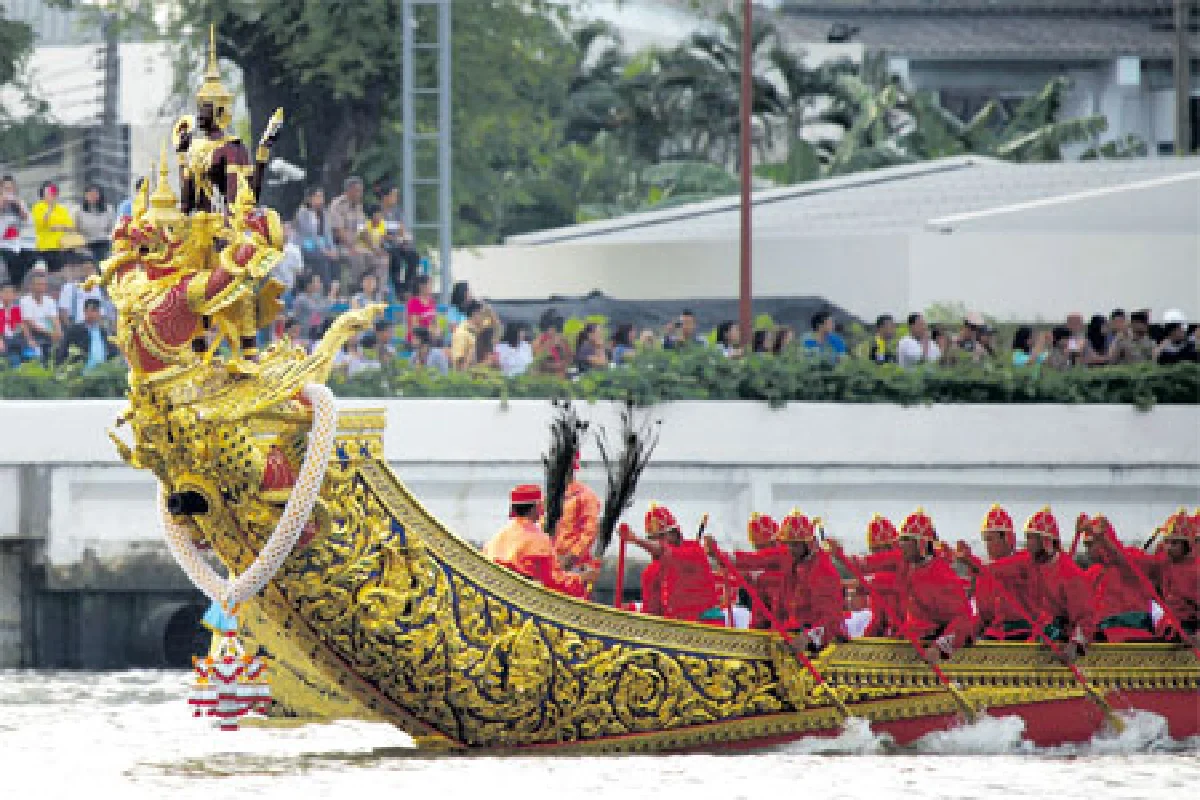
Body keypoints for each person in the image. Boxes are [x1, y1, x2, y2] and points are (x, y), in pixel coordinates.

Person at [709, 509, 845, 652]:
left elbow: (831, 620)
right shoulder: (789, 556)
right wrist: (719, 555)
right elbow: (755, 559)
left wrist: (808, 638)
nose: (790, 549)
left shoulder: (823, 572)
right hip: (787, 634)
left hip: (818, 642)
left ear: (809, 544)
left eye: (795, 545)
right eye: (787, 544)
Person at [482, 484, 597, 598]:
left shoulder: (494, 539)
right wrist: (581, 579)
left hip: (494, 599)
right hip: (522, 602)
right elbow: (554, 581)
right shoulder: (539, 540)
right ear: (535, 508)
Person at [892, 509, 976, 664]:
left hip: (931, 650)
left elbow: (963, 619)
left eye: (906, 540)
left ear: (921, 543)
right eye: (901, 540)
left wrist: (939, 647)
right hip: (910, 645)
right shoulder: (909, 567)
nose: (901, 545)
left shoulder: (941, 575)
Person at [626, 503, 722, 624]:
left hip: (706, 626)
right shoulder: (650, 572)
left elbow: (665, 551)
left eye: (662, 536)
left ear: (675, 534)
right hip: (674, 630)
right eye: (652, 538)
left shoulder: (694, 551)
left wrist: (635, 540)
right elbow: (651, 613)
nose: (657, 541)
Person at [954, 505, 1036, 641]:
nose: (987, 545)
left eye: (990, 539)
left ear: (1007, 538)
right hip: (995, 634)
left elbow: (999, 570)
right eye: (985, 540)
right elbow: (984, 615)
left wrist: (972, 562)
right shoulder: (984, 571)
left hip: (1024, 632)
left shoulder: (1025, 559)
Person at [1023, 507, 1095, 662]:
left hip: (1062, 643)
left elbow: (1085, 616)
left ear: (1045, 541)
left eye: (1031, 539)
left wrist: (1074, 645)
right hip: (1040, 638)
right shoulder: (1034, 566)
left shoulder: (1070, 572)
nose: (1027, 545)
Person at [1081, 515, 1157, 643]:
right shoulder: (1092, 572)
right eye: (1086, 545)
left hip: (1133, 636)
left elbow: (1121, 558)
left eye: (1091, 544)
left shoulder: (1133, 556)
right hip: (1099, 638)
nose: (1088, 550)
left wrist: (1104, 539)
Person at [328, 176, 388, 289]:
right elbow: (338, 231)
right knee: (358, 257)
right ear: (349, 190)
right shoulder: (337, 205)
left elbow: (363, 231)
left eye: (361, 191)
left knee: (381, 259)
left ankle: (378, 293)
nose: (360, 194)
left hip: (357, 245)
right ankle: (356, 289)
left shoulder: (358, 206)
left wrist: (375, 248)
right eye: (358, 191)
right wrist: (352, 246)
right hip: (341, 246)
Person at [552, 451, 602, 576]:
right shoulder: (551, 497)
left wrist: (572, 556)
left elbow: (590, 532)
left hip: (576, 565)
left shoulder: (586, 496)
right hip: (552, 561)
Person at [378, 183, 421, 296]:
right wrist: (394, 237)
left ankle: (408, 286)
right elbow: (379, 232)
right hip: (385, 244)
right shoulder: (378, 211)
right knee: (395, 257)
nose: (396, 198)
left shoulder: (397, 211)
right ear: (385, 197)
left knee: (413, 256)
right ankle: (398, 288)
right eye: (393, 195)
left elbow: (401, 228)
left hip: (397, 243)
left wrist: (404, 239)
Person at [57, 297, 118, 370]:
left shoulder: (104, 332)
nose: (92, 314)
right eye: (90, 310)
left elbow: (113, 352)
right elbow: (63, 351)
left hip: (102, 373)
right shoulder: (74, 331)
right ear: (84, 311)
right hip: (80, 374)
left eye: (95, 311)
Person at [30, 181, 78, 273]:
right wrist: (50, 208)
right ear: (43, 194)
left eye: (53, 192)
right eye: (48, 192)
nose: (52, 195)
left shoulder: (61, 209)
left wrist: (58, 227)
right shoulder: (38, 207)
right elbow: (42, 223)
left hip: (61, 247)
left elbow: (70, 226)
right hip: (46, 248)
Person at [295, 187, 338, 285]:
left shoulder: (324, 213)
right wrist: (325, 251)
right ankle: (326, 287)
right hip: (307, 244)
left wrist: (332, 249)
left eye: (321, 197)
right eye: (317, 197)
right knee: (321, 257)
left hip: (322, 244)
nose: (320, 200)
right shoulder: (303, 213)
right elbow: (311, 235)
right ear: (309, 199)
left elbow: (328, 234)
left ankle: (335, 289)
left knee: (336, 258)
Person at [19, 267, 62, 363]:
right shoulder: (24, 301)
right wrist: (51, 333)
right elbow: (29, 323)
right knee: (38, 356)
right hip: (34, 334)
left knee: (60, 351)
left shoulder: (49, 301)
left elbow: (54, 319)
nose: (41, 287)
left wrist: (58, 332)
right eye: (38, 284)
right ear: (31, 286)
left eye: (43, 284)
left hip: (48, 333)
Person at [74, 183, 116, 265]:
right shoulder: (78, 211)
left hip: (103, 242)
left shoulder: (108, 209)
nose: (93, 196)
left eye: (95, 194)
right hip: (85, 243)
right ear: (85, 195)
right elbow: (75, 229)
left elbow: (113, 228)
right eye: (90, 194)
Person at [292, 273, 338, 340]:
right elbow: (317, 311)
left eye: (319, 281)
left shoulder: (316, 296)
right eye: (317, 282)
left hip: (314, 334)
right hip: (302, 336)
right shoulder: (301, 298)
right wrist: (332, 293)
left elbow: (325, 309)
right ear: (309, 285)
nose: (320, 284)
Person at [532, 309, 570, 376]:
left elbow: (568, 358)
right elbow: (537, 361)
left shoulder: (562, 340)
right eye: (550, 328)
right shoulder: (538, 341)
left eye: (555, 328)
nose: (552, 331)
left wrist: (563, 363)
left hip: (561, 374)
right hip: (545, 376)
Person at [450, 300, 484, 370]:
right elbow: (458, 362)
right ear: (475, 314)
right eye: (482, 314)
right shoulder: (462, 332)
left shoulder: (474, 332)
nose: (483, 318)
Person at [405, 275, 438, 344]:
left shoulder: (431, 302)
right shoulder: (413, 302)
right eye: (430, 284)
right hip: (417, 339)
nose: (432, 287)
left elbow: (434, 322)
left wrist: (436, 330)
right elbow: (414, 325)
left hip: (430, 337)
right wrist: (428, 331)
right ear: (422, 286)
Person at [0, 281, 23, 366]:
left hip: (13, 340)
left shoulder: (15, 308)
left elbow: (17, 328)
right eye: (5, 292)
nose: (8, 295)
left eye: (11, 292)